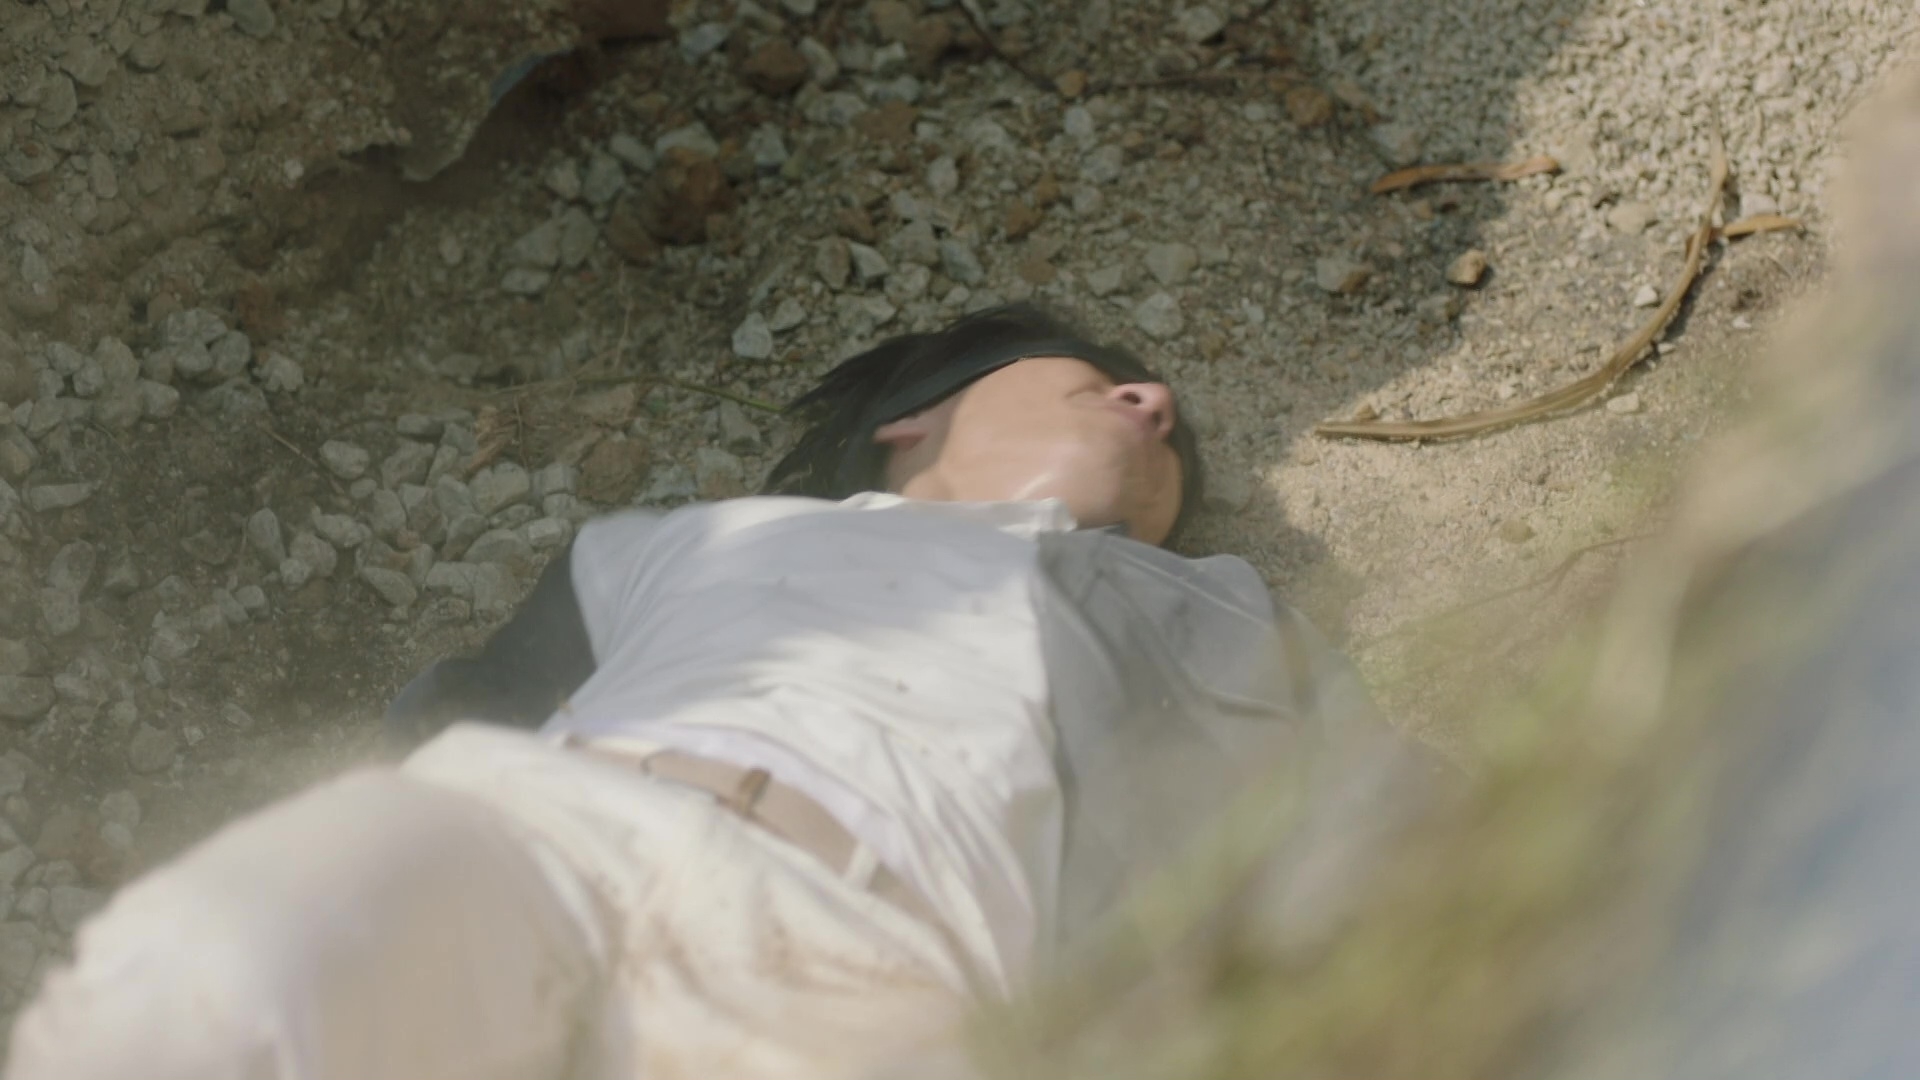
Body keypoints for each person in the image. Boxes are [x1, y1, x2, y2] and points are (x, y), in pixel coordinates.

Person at [5, 304, 1401, 1080]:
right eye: (1101, 381)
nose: (1155, 403)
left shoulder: (1214, 611)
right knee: (190, 982)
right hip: (540, 839)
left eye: (1169, 435)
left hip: (864, 972)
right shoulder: (698, 538)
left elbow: (1403, 843)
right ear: (911, 421)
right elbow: (463, 714)